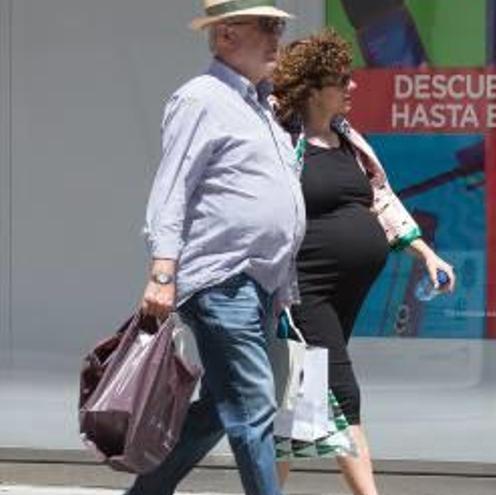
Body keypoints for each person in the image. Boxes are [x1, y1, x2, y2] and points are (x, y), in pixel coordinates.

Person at [129, 1, 306, 494]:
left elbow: (278, 202)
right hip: (222, 282)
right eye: (265, 27)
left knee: (217, 411)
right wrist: (162, 273)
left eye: (278, 27)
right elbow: (172, 189)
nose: (276, 37)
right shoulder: (200, 99)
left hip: (262, 286)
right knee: (253, 407)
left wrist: (284, 287)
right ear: (225, 36)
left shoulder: (262, 106)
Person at [270, 29, 456, 495]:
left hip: (343, 294)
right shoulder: (278, 142)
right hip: (304, 287)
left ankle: (263, 489)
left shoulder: (349, 141)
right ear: (313, 89)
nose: (353, 87)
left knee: (302, 404)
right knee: (340, 391)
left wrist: (425, 253)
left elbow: (382, 200)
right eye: (342, 80)